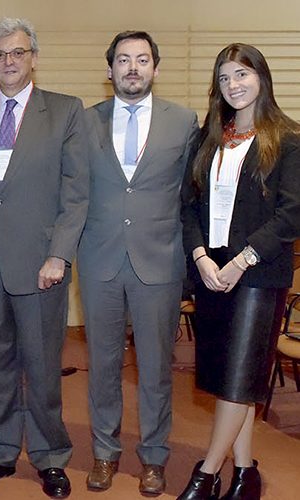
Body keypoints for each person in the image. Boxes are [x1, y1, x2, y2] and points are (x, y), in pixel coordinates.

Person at [0, 17, 88, 499]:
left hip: (41, 268)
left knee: (41, 366)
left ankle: (51, 455)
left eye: (17, 53)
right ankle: (0, 449)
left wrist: (59, 255)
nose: (8, 62)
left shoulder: (66, 111)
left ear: (34, 57)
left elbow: (76, 194)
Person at [178, 43, 300, 500]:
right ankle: (246, 474)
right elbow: (188, 205)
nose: (234, 85)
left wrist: (242, 259)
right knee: (237, 378)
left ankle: (206, 473)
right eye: (225, 78)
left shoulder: (288, 138)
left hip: (256, 273)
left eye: (242, 75)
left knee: (236, 380)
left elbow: (292, 214)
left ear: (262, 78)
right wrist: (200, 256)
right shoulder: (207, 139)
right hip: (212, 272)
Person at [79, 31, 198, 495]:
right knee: (102, 366)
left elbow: (192, 197)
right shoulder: (84, 122)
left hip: (160, 262)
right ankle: (105, 453)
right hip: (99, 260)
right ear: (108, 69)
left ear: (155, 67)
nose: (133, 67)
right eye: (123, 60)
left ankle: (153, 457)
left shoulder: (185, 121)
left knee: (155, 369)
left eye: (142, 59)